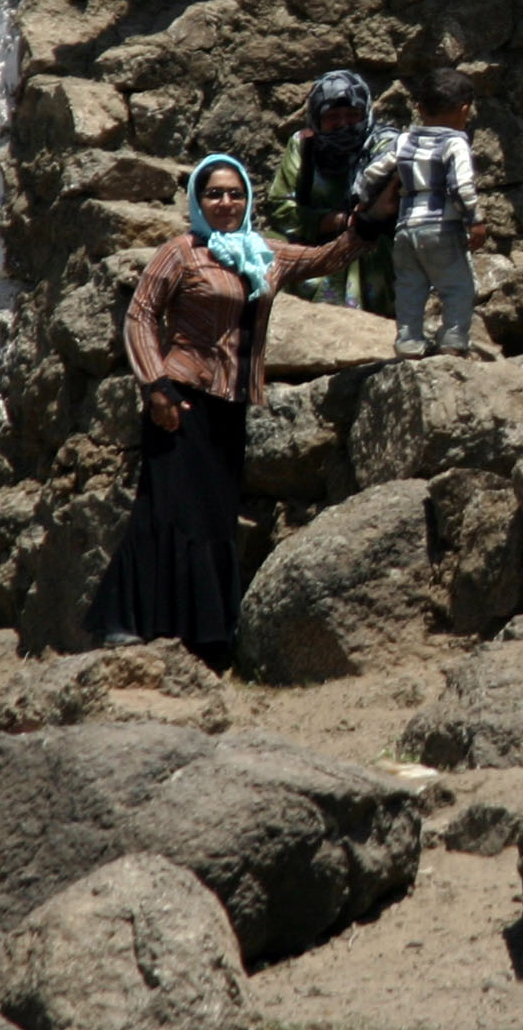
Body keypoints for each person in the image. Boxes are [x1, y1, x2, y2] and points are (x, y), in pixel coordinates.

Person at [89, 156, 344, 664]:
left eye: (235, 194)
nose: (226, 203)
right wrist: (155, 384)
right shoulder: (181, 253)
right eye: (215, 194)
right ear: (198, 202)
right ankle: (128, 622)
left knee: (213, 519)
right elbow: (141, 315)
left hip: (232, 404)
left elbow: (327, 258)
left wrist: (374, 218)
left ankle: (206, 638)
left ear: (247, 198)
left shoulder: (263, 252)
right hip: (181, 398)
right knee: (167, 511)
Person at [356, 67, 488, 355]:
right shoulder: (454, 143)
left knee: (410, 287)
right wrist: (474, 220)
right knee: (457, 286)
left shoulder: (404, 141)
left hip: (406, 230)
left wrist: (362, 199)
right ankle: (453, 340)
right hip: (442, 228)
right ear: (464, 111)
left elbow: (373, 173)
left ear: (418, 108)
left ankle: (408, 340)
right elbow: (461, 185)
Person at [268, 69, 397, 310]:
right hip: (311, 240)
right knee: (267, 246)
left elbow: (382, 206)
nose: (343, 123)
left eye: (352, 114)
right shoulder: (304, 146)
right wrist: (333, 221)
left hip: (366, 243)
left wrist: (355, 227)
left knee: (363, 247)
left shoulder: (384, 146)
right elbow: (280, 206)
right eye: (333, 116)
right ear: (317, 118)